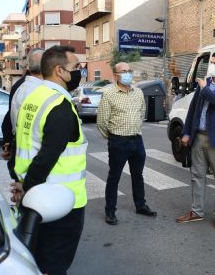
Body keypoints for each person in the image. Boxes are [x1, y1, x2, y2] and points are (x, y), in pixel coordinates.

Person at [11, 45, 87, 275]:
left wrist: (24, 185)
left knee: (36, 259)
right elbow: (46, 157)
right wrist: (26, 187)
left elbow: (21, 141)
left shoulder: (33, 97)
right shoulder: (59, 106)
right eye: (75, 67)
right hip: (60, 201)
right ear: (59, 71)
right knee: (54, 264)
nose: (79, 72)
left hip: (34, 196)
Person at [176, 51, 215, 229]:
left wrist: (205, 89)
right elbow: (194, 109)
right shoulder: (206, 82)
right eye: (211, 62)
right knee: (197, 176)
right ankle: (196, 211)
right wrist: (187, 132)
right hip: (199, 136)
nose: (211, 66)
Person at [97, 62, 157, 225]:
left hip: (137, 140)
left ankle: (141, 205)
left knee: (138, 175)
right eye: (123, 71)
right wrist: (113, 138)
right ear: (116, 75)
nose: (127, 74)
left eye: (129, 71)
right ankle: (110, 211)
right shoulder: (109, 94)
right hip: (118, 141)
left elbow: (141, 113)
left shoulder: (138, 92)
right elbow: (102, 121)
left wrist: (134, 128)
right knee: (114, 177)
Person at [4, 48, 45, 181]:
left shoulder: (19, 86)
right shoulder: (43, 90)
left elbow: (9, 118)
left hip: (21, 154)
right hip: (34, 156)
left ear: (28, 65)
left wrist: (8, 144)